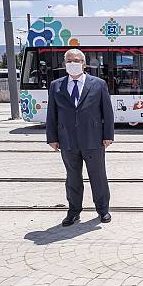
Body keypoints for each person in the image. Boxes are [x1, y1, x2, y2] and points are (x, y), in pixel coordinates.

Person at [46, 48, 115, 227]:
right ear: (65, 65)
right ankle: (73, 212)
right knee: (72, 178)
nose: (73, 64)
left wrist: (108, 135)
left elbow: (107, 112)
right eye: (69, 61)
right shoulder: (56, 85)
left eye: (76, 60)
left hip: (94, 139)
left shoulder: (98, 84)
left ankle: (103, 210)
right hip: (67, 140)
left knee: (98, 176)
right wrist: (52, 138)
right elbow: (52, 114)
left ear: (83, 64)